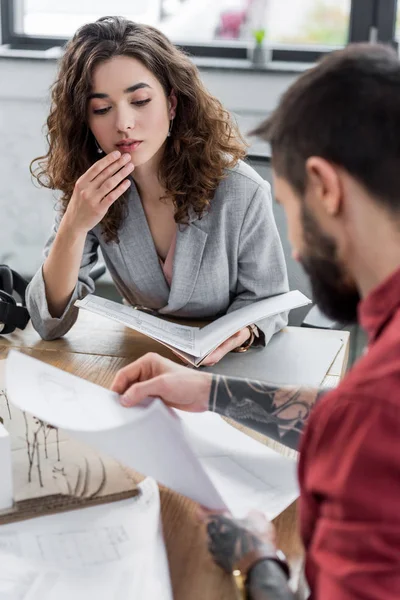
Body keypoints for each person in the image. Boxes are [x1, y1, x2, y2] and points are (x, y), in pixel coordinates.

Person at [111, 43, 400, 599]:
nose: (293, 239)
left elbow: (366, 423)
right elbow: (350, 420)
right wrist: (212, 392)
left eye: (291, 209)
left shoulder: (373, 414)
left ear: (325, 188)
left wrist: (258, 561)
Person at [26, 16, 288, 365]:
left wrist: (243, 332)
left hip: (226, 365)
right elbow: (48, 321)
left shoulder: (242, 190)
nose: (123, 124)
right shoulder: (91, 187)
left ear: (172, 104)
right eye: (102, 109)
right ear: (85, 121)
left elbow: (269, 301)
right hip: (137, 359)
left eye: (140, 101)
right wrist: (74, 226)